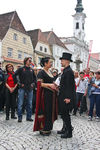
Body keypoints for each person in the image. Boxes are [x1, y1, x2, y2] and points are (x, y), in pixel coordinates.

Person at [33, 57, 58, 136]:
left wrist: (55, 84)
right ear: (45, 63)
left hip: (51, 95)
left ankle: (49, 127)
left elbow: (52, 80)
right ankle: (44, 128)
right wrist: (50, 85)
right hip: (45, 94)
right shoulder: (41, 72)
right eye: (50, 62)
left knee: (50, 110)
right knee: (46, 110)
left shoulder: (49, 71)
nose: (51, 64)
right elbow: (39, 84)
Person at [57, 52, 76, 138]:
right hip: (63, 95)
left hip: (66, 97)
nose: (61, 62)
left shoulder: (69, 71)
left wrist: (68, 98)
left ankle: (69, 132)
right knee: (63, 114)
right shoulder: (66, 70)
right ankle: (65, 129)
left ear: (67, 61)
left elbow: (69, 86)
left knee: (65, 115)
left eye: (62, 60)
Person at [14, 57, 36, 122]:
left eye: (31, 60)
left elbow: (35, 79)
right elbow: (14, 75)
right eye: (29, 60)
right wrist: (19, 83)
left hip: (30, 88)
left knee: (29, 103)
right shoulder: (21, 69)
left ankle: (28, 117)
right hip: (22, 88)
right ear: (25, 61)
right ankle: (20, 117)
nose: (30, 61)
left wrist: (33, 84)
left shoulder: (31, 70)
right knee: (20, 103)